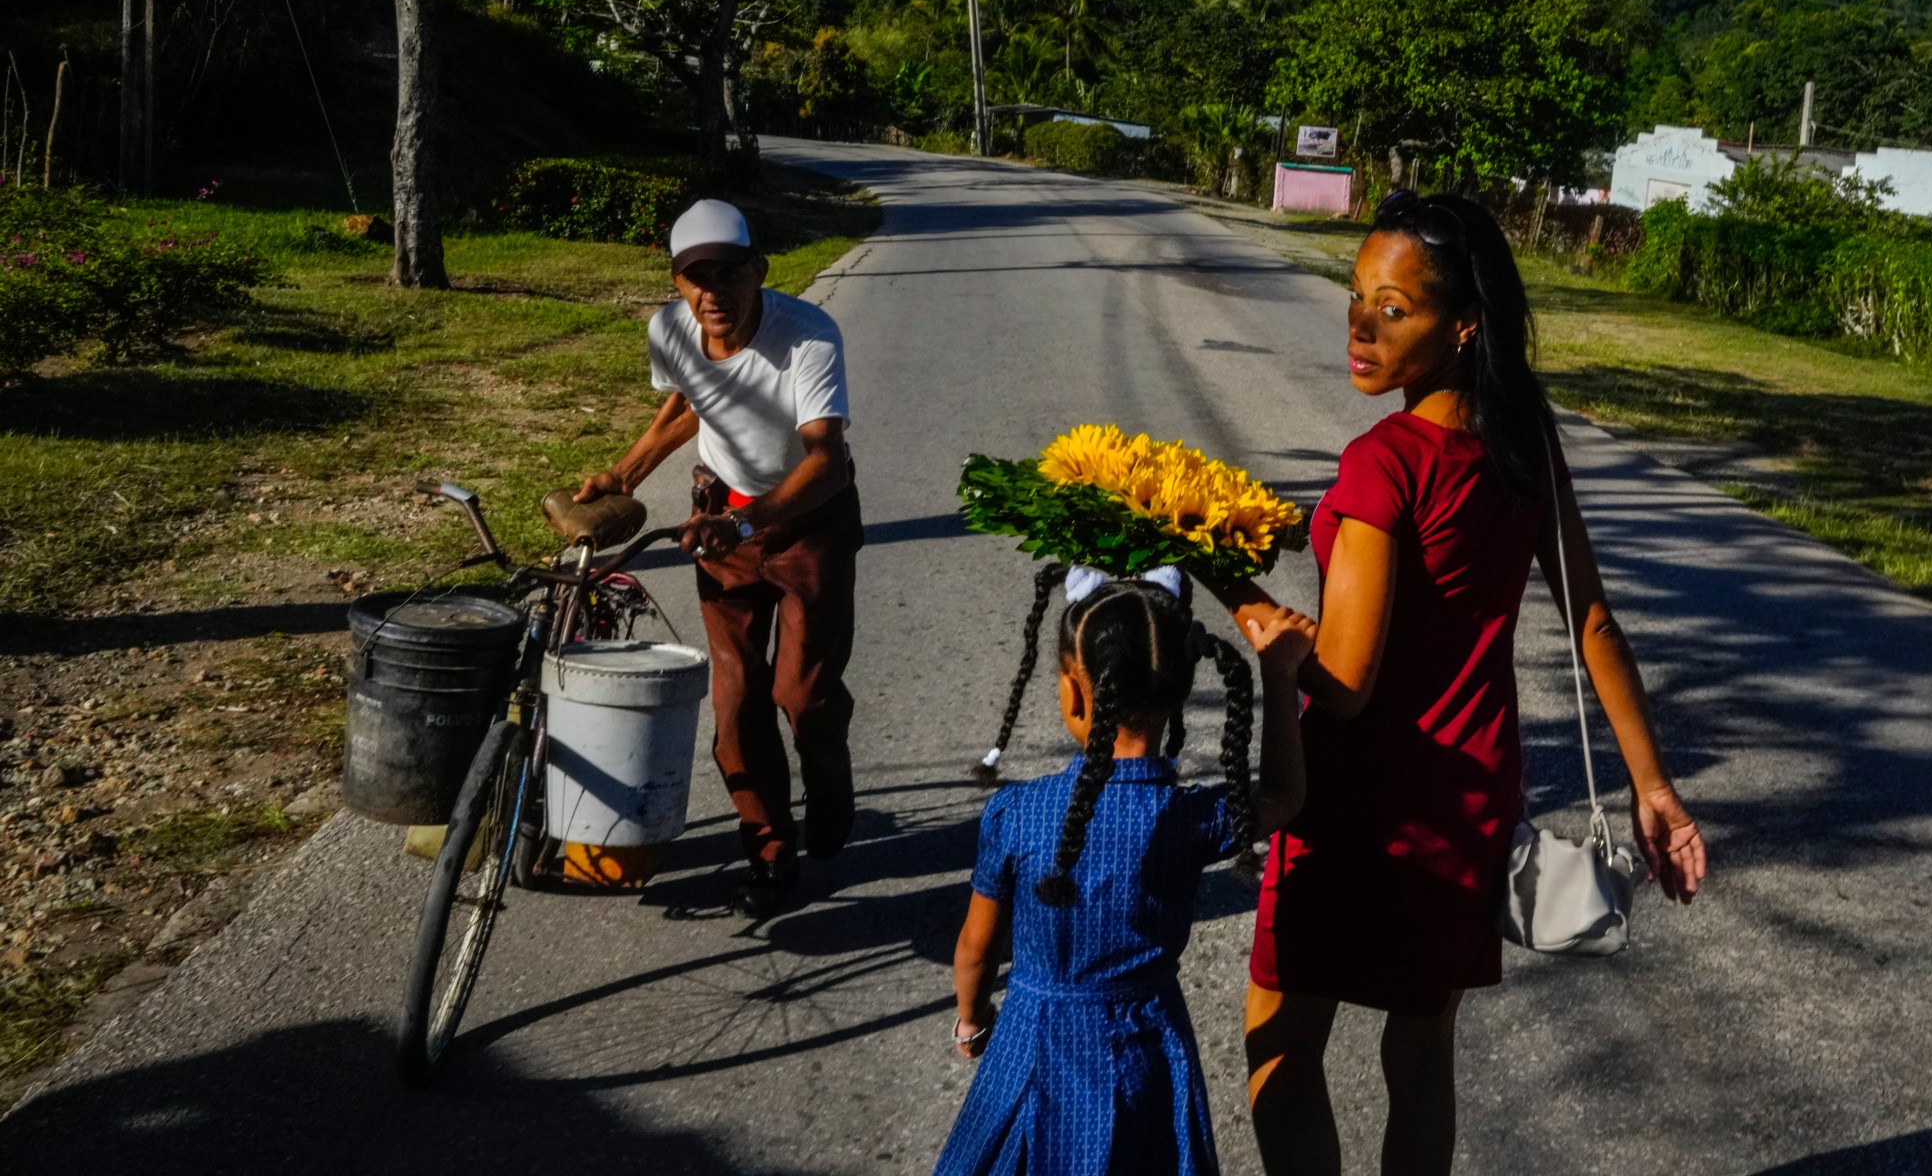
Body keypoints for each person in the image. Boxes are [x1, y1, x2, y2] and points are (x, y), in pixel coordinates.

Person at [1211, 191, 1709, 1175]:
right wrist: (1655, 790)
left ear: (1463, 324)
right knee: (1420, 1045)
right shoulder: (1522, 444)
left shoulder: (1383, 463)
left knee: (1282, 1041)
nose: (1359, 324)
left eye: (1394, 308)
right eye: (1356, 295)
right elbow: (1593, 619)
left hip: (1352, 795)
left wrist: (1214, 570)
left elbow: (1345, 684)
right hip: (1471, 792)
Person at [937, 569, 1314, 1176]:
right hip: (1145, 1046)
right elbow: (1284, 795)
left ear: (1074, 695)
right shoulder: (1189, 817)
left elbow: (975, 948)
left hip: (1029, 1045)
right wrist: (1278, 670)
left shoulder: (1014, 814)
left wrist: (972, 1020)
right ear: (1177, 694)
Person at [576, 198, 863, 917]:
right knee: (736, 704)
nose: (712, 292)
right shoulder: (672, 329)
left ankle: (828, 780)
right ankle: (769, 849)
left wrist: (749, 523)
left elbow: (828, 460)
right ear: (676, 282)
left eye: (728, 273)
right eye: (693, 276)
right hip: (721, 523)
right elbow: (687, 404)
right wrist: (624, 474)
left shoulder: (808, 337)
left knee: (803, 696)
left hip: (807, 524)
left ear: (758, 270)